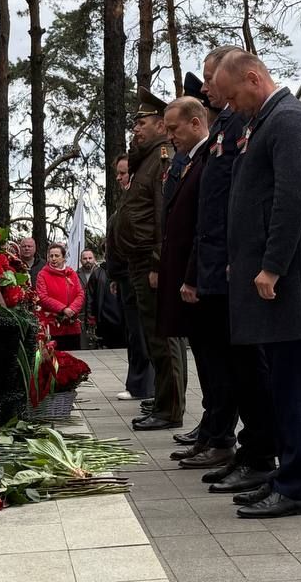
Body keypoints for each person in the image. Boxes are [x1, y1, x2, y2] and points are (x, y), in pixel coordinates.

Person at [214, 51, 301, 519]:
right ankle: (285, 476)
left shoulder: (289, 120)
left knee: (296, 391)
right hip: (278, 282)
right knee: (284, 387)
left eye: (233, 96)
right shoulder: (267, 120)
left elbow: (292, 199)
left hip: (291, 283)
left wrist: (271, 266)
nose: (231, 106)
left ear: (254, 79)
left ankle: (296, 487)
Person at [191, 47, 277, 494]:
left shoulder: (254, 121)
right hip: (226, 264)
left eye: (213, 80)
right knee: (237, 367)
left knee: (250, 366)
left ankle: (260, 453)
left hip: (239, 265)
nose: (209, 89)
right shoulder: (231, 122)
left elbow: (253, 200)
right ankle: (250, 449)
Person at [115, 89, 187, 432]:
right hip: (139, 260)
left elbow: (164, 215)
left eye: (141, 123)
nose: (136, 129)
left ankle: (170, 409)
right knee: (155, 337)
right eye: (135, 124)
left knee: (163, 337)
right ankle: (163, 401)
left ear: (160, 125)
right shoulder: (144, 160)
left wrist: (159, 264)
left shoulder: (161, 159)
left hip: (150, 261)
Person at [155, 97, 222, 462]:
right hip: (188, 275)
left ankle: (219, 437)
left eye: (174, 128)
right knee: (206, 362)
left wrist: (193, 274)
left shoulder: (209, 159)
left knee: (214, 363)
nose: (170, 136)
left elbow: (205, 225)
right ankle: (210, 431)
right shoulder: (193, 160)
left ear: (196, 123)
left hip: (201, 279)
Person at [105, 153, 154, 402]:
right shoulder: (126, 202)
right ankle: (139, 384)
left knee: (141, 334)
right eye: (118, 173)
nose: (119, 178)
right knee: (134, 333)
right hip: (124, 276)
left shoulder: (139, 203)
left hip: (137, 273)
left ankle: (142, 385)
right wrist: (114, 276)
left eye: (123, 173)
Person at [35, 244, 85, 350]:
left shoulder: (72, 273)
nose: (53, 259)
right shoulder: (42, 275)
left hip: (72, 325)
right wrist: (63, 309)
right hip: (53, 327)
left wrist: (72, 309)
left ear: (63, 258)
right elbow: (42, 297)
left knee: (74, 356)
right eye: (51, 256)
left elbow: (80, 293)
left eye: (57, 256)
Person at [77, 248, 108, 349]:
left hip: (99, 313)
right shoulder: (75, 275)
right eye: (85, 258)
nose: (88, 260)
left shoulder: (102, 273)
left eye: (90, 258)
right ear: (81, 260)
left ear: (94, 259)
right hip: (82, 314)